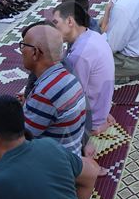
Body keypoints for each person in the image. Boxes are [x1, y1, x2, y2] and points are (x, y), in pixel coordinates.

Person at [21, 24, 89, 153]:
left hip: (54, 162)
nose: (21, 50)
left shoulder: (45, 93)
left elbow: (20, 139)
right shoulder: (69, 78)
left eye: (23, 45)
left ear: (35, 52)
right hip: (72, 153)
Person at [51, 0, 115, 133]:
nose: (52, 29)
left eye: (55, 23)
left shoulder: (80, 54)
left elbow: (71, 97)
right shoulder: (92, 35)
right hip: (101, 110)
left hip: (91, 120)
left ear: (70, 21)